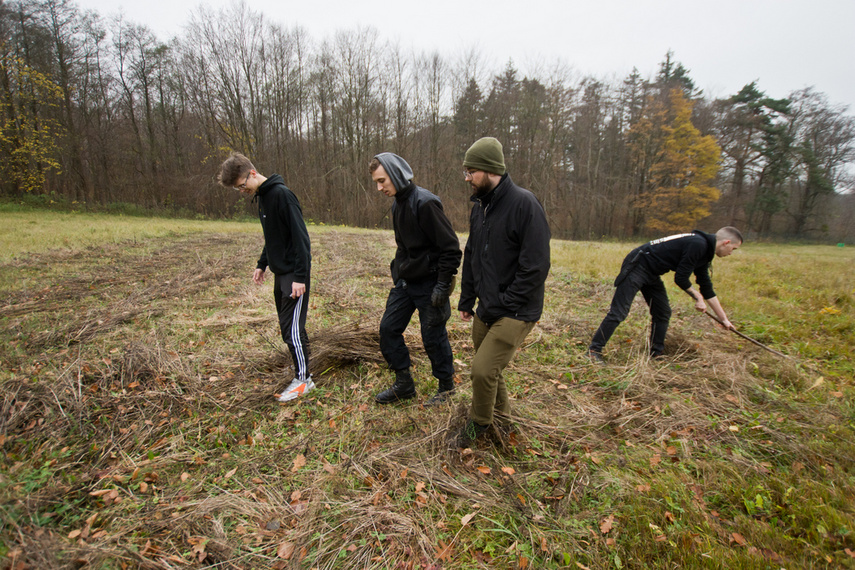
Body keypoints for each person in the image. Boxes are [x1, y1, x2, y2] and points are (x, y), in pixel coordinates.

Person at [456, 137, 551, 447]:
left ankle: (480, 425)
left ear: (490, 170)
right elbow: (472, 253)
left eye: (471, 172)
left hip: (517, 309)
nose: (467, 178)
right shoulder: (480, 208)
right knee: (491, 369)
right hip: (487, 306)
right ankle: (504, 423)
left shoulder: (525, 204)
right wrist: (467, 297)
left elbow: (536, 266)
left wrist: (506, 302)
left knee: (482, 371)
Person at [216, 153, 314, 402]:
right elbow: (273, 238)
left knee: (292, 330)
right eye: (238, 189)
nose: (242, 191)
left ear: (252, 173)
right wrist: (262, 264)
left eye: (242, 185)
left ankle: (304, 380)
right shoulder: (263, 198)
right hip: (280, 273)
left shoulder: (282, 196)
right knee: (287, 328)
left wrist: (300, 277)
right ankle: (301, 366)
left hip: (294, 274)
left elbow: (301, 239)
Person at [370, 153, 462, 406]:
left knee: (433, 337)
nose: (379, 188)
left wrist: (442, 285)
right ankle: (404, 384)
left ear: (396, 174)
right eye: (376, 182)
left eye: (382, 180)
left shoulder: (426, 203)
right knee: (388, 329)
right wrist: (398, 274)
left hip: (431, 283)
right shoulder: (397, 204)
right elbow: (404, 247)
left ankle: (446, 388)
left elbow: (451, 249)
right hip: (406, 283)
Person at [588, 227, 744, 363]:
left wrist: (724, 319)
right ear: (726, 242)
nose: (731, 253)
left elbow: (707, 287)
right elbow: (681, 278)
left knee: (662, 312)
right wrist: (697, 297)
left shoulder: (705, 251)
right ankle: (594, 351)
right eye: (733, 249)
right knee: (619, 312)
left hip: (651, 272)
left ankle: (656, 354)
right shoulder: (698, 244)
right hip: (637, 265)